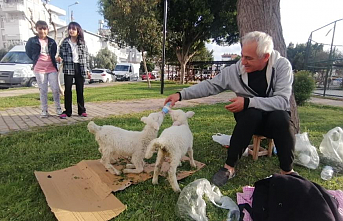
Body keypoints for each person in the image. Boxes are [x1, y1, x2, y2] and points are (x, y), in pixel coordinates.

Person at [165, 31, 295, 187]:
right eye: (242, 55)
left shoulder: (282, 66)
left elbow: (282, 101)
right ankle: (229, 167)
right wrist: (180, 94)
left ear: (265, 57)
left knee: (281, 118)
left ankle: (287, 171)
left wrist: (247, 102)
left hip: (273, 121)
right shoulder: (235, 71)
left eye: (249, 58)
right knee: (251, 114)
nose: (243, 62)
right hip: (249, 118)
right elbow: (210, 86)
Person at [25, 20, 62, 118]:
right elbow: (28, 52)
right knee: (43, 90)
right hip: (39, 68)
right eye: (40, 29)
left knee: (55, 88)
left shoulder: (52, 41)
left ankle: (58, 108)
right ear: (36, 29)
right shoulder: (32, 41)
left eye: (44, 29)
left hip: (51, 68)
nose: (42, 31)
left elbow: (53, 53)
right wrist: (35, 59)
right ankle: (44, 110)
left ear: (47, 29)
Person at [58, 22, 90, 119]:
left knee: (80, 90)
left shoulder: (82, 43)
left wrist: (88, 70)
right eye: (70, 29)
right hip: (68, 67)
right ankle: (67, 111)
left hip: (80, 67)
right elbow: (60, 54)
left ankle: (82, 111)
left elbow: (86, 57)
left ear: (78, 31)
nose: (71, 31)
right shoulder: (65, 42)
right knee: (68, 90)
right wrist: (59, 58)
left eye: (74, 29)